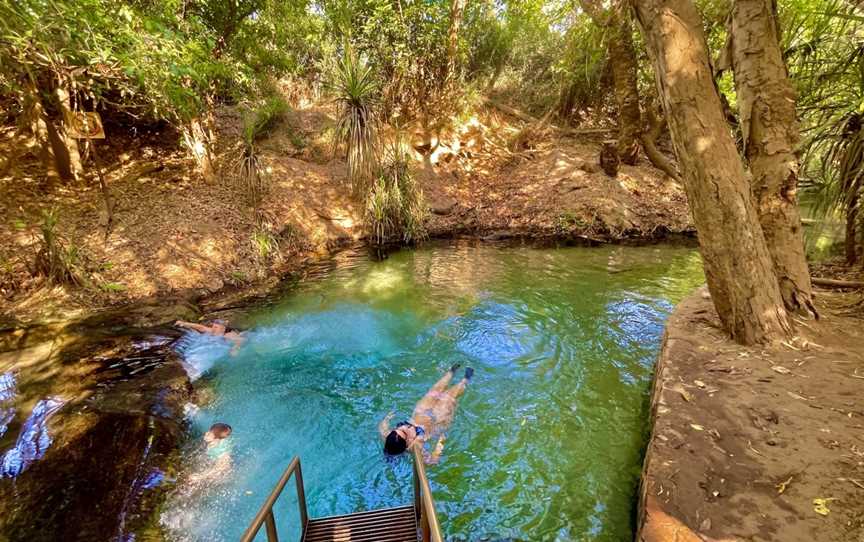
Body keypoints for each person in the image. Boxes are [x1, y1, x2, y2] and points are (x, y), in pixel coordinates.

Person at [379, 364, 473, 464]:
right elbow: (432, 461)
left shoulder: (390, 437)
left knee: (434, 391)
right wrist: (440, 443)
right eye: (406, 433)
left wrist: (387, 418)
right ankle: (465, 380)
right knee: (449, 397)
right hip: (437, 421)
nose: (406, 428)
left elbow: (382, 427)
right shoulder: (415, 447)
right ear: (407, 444)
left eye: (399, 428)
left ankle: (450, 373)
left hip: (421, 412)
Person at [175, 319, 245, 356]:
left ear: (223, 328)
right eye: (213, 326)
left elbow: (241, 340)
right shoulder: (213, 331)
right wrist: (184, 323)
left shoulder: (227, 335)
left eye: (216, 327)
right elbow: (201, 327)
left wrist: (235, 348)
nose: (213, 329)